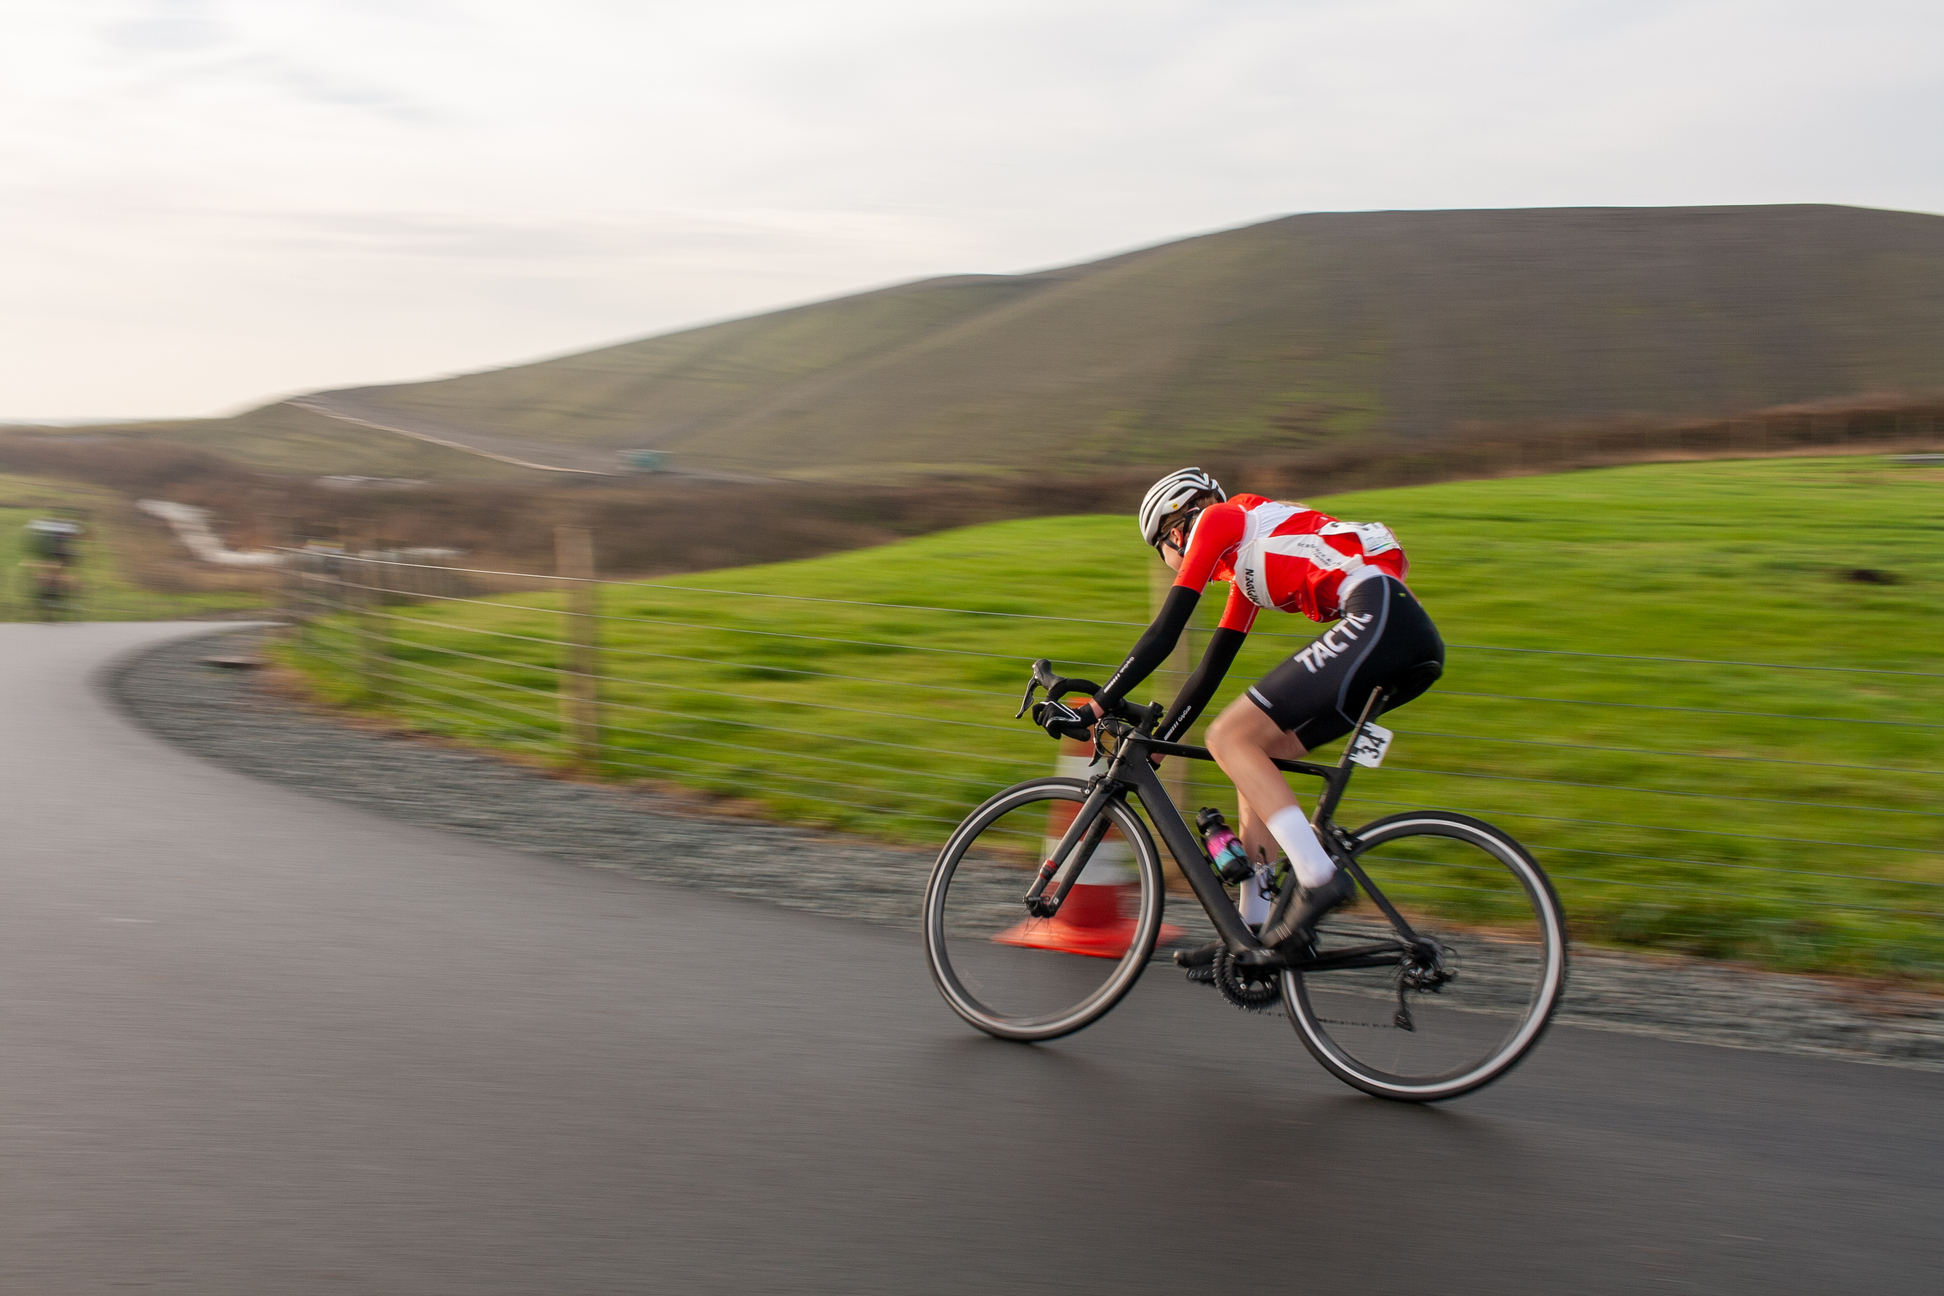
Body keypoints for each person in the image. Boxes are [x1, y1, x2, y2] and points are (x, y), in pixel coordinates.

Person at [1034, 467, 1445, 966]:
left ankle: (1317, 878)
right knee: (1255, 753)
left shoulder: (1219, 521)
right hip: (1402, 634)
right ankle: (1252, 930)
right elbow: (1207, 674)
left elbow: (1165, 633)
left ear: (1176, 529)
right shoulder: (1245, 565)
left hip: (1379, 616)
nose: (1167, 563)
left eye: (1161, 549)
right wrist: (1161, 744)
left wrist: (1094, 707)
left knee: (1229, 737)